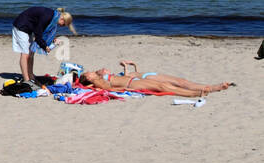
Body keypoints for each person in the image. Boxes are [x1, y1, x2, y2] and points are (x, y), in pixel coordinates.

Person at [78, 66, 233, 98]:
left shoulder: (98, 75)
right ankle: (198, 93)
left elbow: (103, 72)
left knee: (179, 80)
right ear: (88, 78)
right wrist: (115, 90)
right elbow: (107, 88)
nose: (90, 71)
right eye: (88, 73)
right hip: (131, 84)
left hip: (136, 77)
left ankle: (212, 87)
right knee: (163, 87)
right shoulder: (97, 82)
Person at [12, 6, 74, 84]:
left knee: (31, 53)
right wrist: (44, 46)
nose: (61, 26)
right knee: (25, 54)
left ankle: (31, 75)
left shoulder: (53, 17)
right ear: (62, 19)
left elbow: (44, 30)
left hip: (29, 28)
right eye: (63, 25)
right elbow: (38, 33)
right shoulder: (48, 16)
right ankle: (26, 79)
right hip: (21, 26)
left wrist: (52, 39)